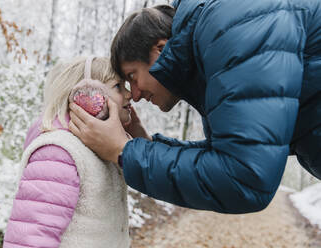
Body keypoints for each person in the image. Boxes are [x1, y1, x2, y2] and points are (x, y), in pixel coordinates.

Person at [69, 0, 321, 214]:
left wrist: (124, 152)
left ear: (160, 49)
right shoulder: (211, 48)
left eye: (133, 76)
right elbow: (229, 153)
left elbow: (246, 177)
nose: (134, 95)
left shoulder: (232, 26)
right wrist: (144, 144)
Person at [3, 57, 132, 248]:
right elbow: (31, 238)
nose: (129, 94)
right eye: (118, 86)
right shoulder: (58, 152)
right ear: (86, 95)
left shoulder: (100, 147)